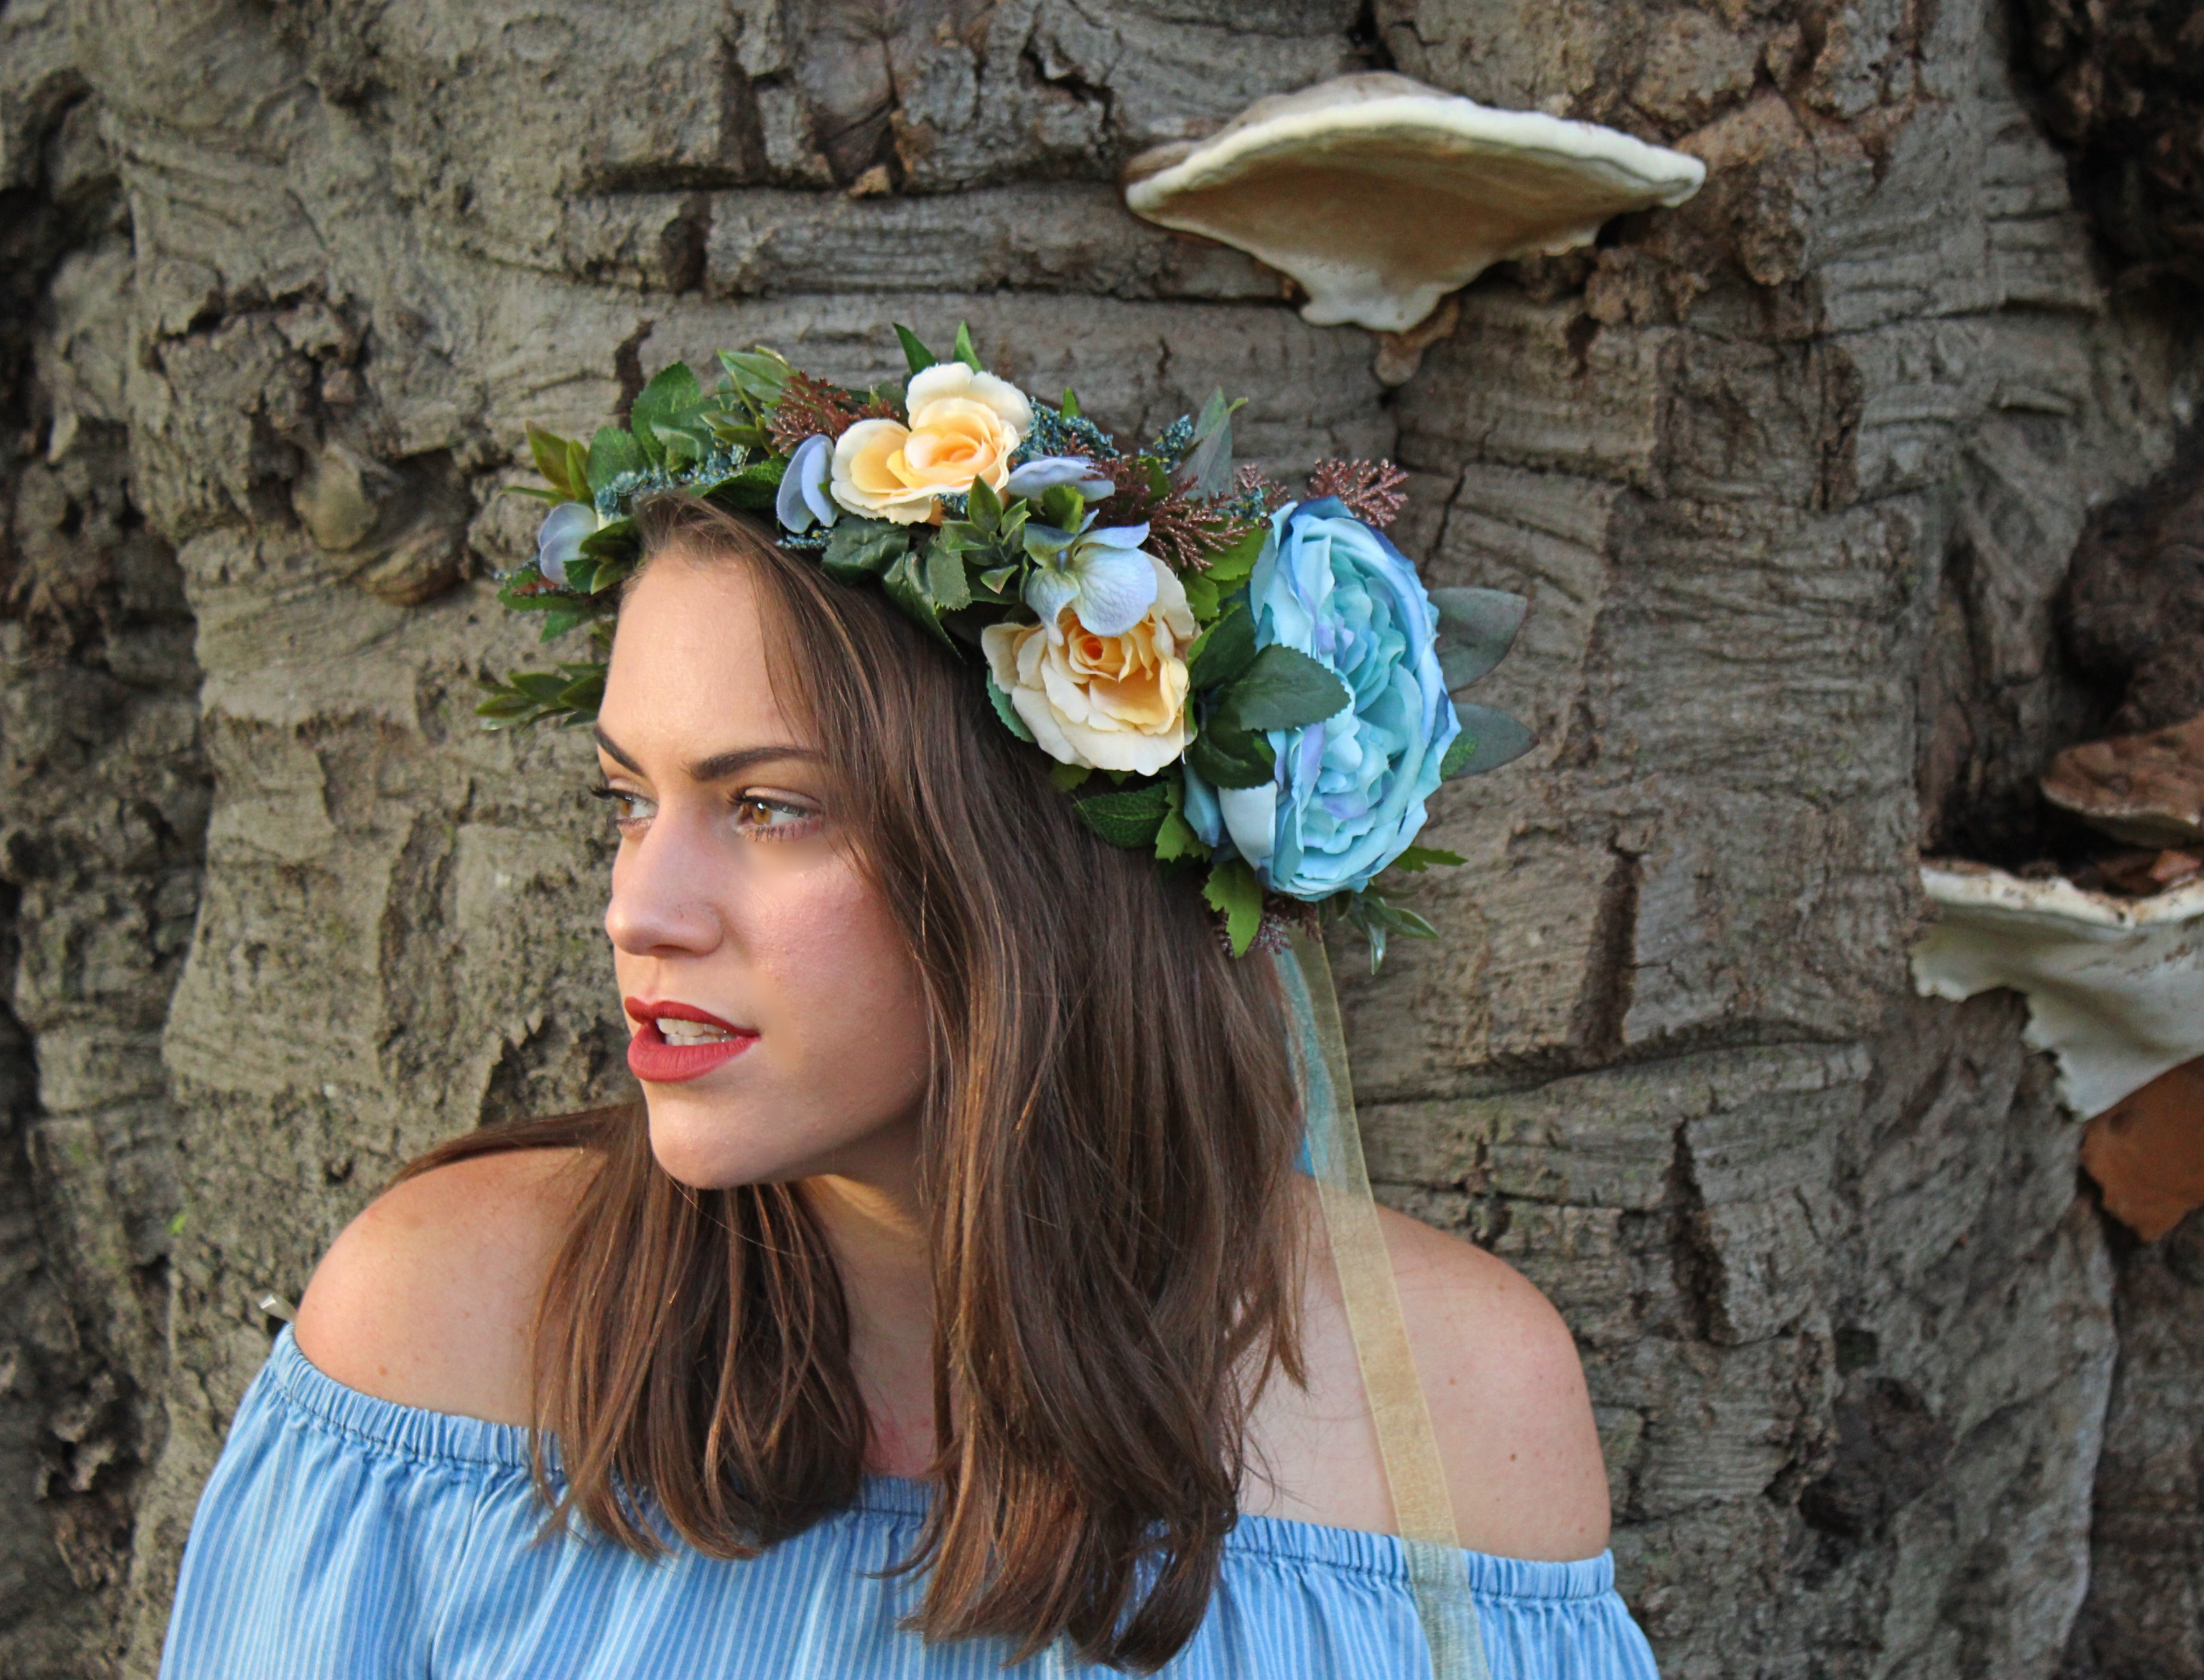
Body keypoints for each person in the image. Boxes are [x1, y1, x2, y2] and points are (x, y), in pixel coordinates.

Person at [155, 492, 1661, 1676]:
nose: (638, 910)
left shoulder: (1458, 1405)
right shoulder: (445, 1331)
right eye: (629, 800)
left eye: (769, 806)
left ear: (1033, 871)